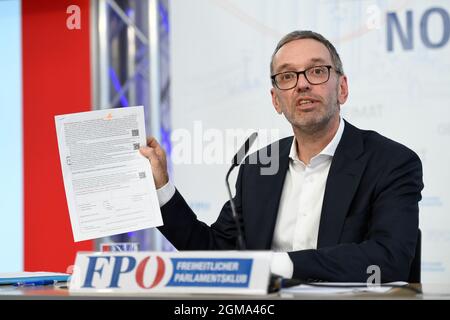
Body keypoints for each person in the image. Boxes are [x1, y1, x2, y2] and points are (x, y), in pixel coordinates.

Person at [140, 30, 424, 283]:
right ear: (276, 100)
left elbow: (390, 259)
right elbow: (216, 252)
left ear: (342, 88)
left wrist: (281, 264)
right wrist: (162, 189)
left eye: (316, 71)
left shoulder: (391, 162)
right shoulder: (258, 167)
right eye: (287, 76)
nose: (302, 85)